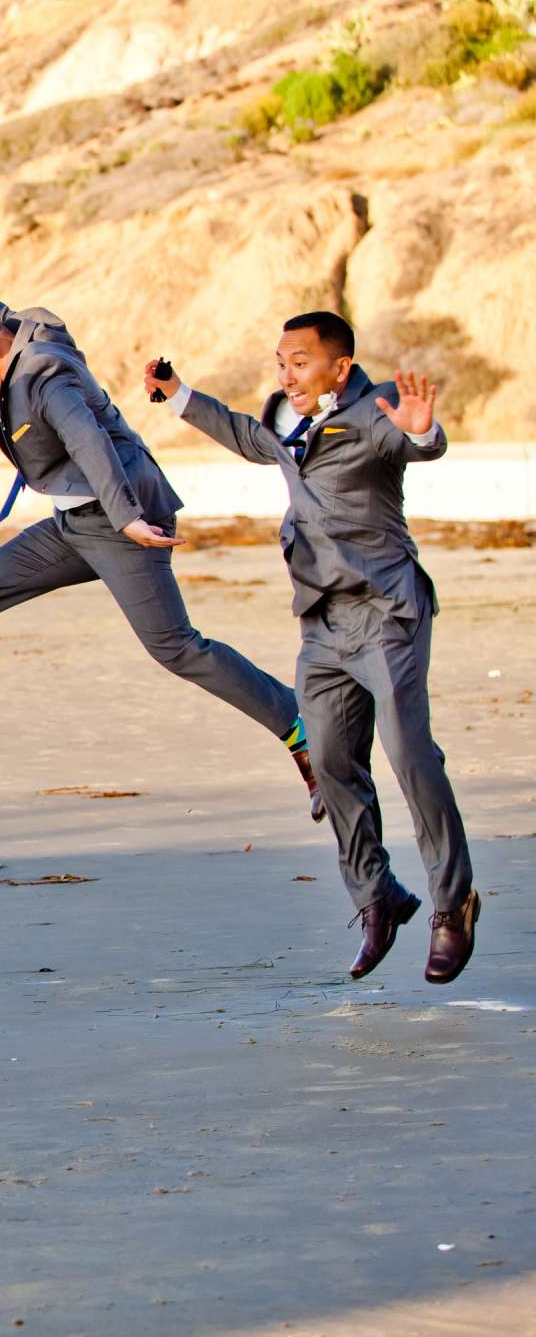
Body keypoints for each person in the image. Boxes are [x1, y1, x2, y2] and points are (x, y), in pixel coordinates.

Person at [0, 164, 317, 813]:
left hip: (121, 516)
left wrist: (126, 519)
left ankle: (300, 727)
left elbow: (89, 442)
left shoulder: (43, 375)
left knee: (177, 649)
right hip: (76, 523)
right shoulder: (22, 331)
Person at [146, 323, 475, 982]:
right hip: (321, 624)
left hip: (386, 613)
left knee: (409, 753)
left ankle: (451, 905)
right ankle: (377, 895)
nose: (287, 375)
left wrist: (420, 432)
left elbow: (415, 442)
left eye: (301, 363)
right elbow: (249, 436)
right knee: (326, 759)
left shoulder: (377, 407)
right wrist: (179, 394)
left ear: (340, 366)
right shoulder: (282, 413)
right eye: (280, 363)